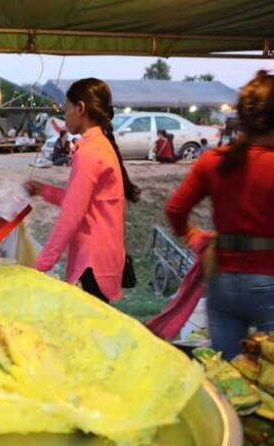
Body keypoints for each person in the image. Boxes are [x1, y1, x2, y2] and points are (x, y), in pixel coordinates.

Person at [165, 70, 274, 359]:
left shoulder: (214, 161)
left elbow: (175, 209)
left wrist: (193, 236)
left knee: (225, 373)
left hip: (222, 280)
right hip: (270, 283)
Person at [24, 78, 141, 302]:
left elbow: (72, 214)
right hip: (102, 258)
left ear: (80, 108)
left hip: (93, 263)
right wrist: (43, 191)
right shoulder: (99, 146)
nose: (64, 115)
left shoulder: (90, 153)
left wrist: (41, 265)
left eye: (66, 108)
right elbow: (82, 200)